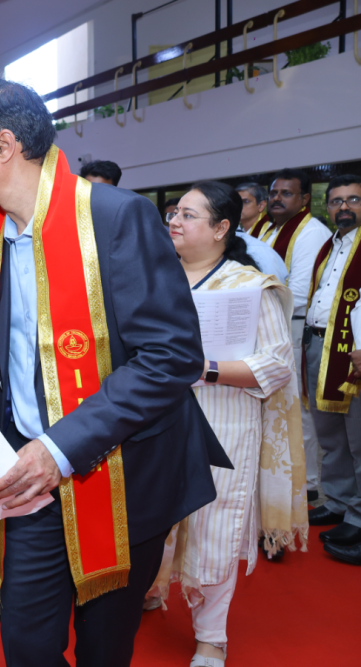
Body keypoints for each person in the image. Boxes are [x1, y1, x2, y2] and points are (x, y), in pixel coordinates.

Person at [0, 78, 228, 667]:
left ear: (4, 146)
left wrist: (59, 447)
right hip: (31, 480)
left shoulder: (115, 218)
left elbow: (172, 356)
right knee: (26, 645)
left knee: (104, 649)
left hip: (124, 475)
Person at [165, 181, 306, 666]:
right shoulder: (155, 276)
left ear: (221, 227)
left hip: (223, 419)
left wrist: (205, 369)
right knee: (152, 514)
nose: (175, 221)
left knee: (214, 522)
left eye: (188, 215)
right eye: (174, 213)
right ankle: (151, 586)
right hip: (155, 418)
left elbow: (276, 364)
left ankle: (211, 637)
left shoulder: (248, 286)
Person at [261, 169, 331, 506]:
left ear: (304, 199)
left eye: (286, 193)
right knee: (274, 405)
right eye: (274, 193)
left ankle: (308, 483)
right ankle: (280, 474)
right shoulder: (268, 229)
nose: (277, 198)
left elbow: (300, 292)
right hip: (269, 322)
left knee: (297, 407)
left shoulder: (310, 232)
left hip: (293, 325)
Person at [303, 174, 361, 566]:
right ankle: (341, 503)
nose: (344, 207)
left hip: (352, 352)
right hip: (319, 346)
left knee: (358, 439)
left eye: (353, 200)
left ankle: (359, 517)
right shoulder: (331, 243)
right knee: (330, 434)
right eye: (337, 201)